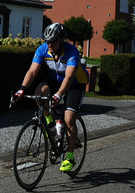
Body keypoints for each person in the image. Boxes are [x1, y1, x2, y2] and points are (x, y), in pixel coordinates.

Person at [11, 22, 88, 173]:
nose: (49, 44)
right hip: (56, 78)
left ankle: (70, 156)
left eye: (53, 41)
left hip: (75, 83)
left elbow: (69, 76)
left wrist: (59, 94)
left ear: (62, 40)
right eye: (47, 41)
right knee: (39, 93)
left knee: (69, 118)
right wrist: (21, 89)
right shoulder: (43, 49)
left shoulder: (71, 51)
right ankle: (50, 124)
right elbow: (32, 72)